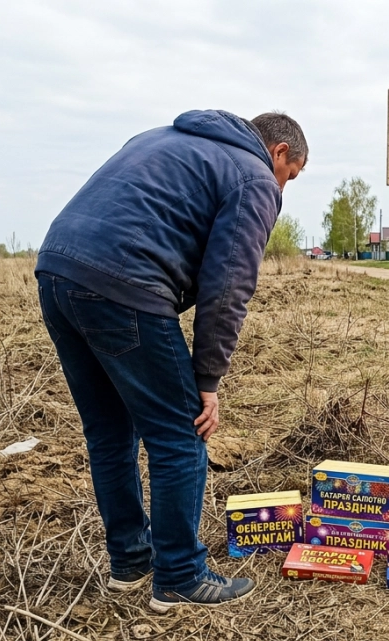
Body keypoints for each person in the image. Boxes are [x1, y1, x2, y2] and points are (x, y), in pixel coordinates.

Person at [34, 110, 307, 612]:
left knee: (109, 432)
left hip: (55, 270)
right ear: (280, 152)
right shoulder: (253, 176)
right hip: (123, 282)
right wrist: (207, 380)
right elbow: (228, 287)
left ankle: (131, 561)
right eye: (290, 177)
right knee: (182, 433)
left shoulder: (163, 137)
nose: (283, 191)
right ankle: (180, 574)